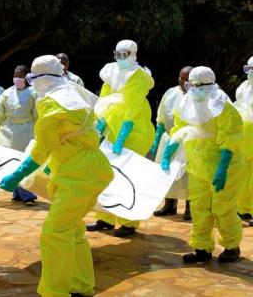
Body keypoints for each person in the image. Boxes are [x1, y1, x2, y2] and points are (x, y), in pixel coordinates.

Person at [0, 55, 113, 296]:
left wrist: (16, 176)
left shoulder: (52, 103)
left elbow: (41, 149)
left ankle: (54, 292)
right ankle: (81, 285)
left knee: (54, 232)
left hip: (78, 175)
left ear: (40, 79)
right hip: (90, 167)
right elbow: (95, 127)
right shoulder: (75, 94)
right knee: (72, 229)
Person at [161, 66, 243, 263]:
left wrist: (222, 167)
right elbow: (180, 129)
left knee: (223, 208)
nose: (191, 88)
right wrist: (167, 152)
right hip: (198, 164)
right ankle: (202, 247)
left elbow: (230, 137)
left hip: (225, 165)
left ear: (208, 85)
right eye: (190, 84)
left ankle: (232, 246)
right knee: (199, 207)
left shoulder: (222, 105)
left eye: (196, 85)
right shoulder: (187, 102)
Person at [86, 39, 155, 237]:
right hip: (112, 127)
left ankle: (129, 222)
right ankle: (105, 218)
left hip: (134, 131)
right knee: (106, 174)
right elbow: (104, 102)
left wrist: (122, 138)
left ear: (134, 54)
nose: (120, 59)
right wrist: (100, 127)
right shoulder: (110, 71)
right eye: (117, 54)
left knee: (128, 176)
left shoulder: (139, 76)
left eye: (124, 55)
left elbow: (132, 109)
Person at [0, 65, 37, 205]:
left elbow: (36, 115)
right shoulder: (6, 93)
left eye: (20, 75)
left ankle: (28, 194)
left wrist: (38, 132)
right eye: (15, 75)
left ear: (26, 77)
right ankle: (18, 192)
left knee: (24, 162)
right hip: (8, 132)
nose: (17, 78)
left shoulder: (33, 93)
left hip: (26, 131)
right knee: (12, 161)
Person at [152, 66, 192, 220]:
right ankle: (169, 205)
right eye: (181, 78)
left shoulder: (198, 96)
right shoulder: (171, 93)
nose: (183, 81)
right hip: (169, 138)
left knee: (188, 175)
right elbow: (161, 116)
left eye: (187, 79)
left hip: (189, 140)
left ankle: (190, 208)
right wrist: (157, 138)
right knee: (166, 173)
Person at [235, 56, 253, 226]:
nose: (250, 73)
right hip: (245, 136)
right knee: (243, 174)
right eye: (248, 69)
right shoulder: (243, 87)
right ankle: (244, 208)